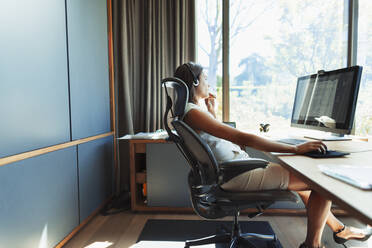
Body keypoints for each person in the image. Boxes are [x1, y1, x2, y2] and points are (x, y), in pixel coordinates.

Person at [174, 62, 372, 248]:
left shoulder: (191, 111)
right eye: (206, 78)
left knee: (301, 181)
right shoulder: (193, 113)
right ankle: (312, 245)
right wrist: (295, 148)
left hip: (233, 171)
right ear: (195, 82)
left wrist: (213, 113)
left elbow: (218, 140)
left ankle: (340, 230)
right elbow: (239, 136)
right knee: (319, 182)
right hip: (236, 174)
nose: (209, 83)